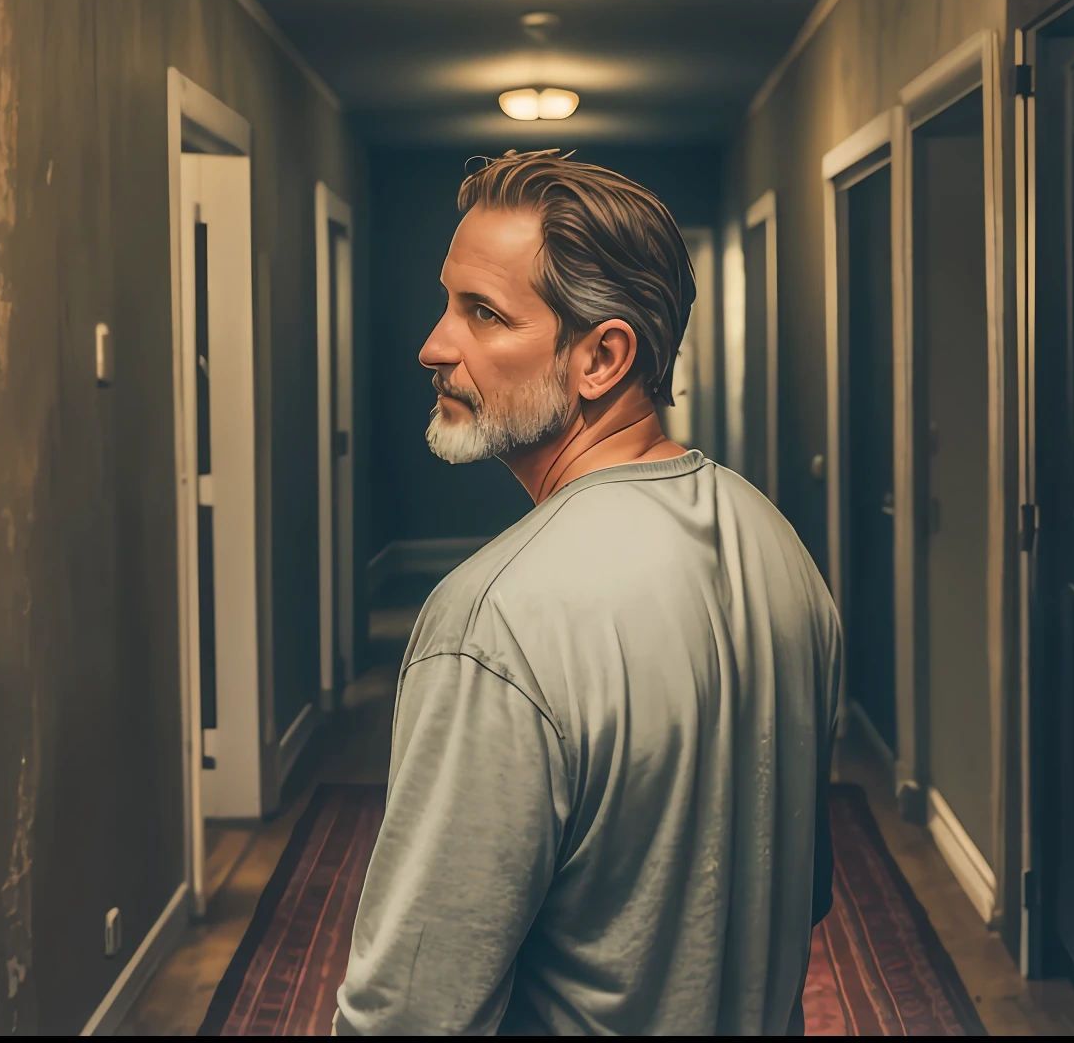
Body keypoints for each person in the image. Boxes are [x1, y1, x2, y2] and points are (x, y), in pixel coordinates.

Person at [333, 150, 842, 1035]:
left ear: (602, 356)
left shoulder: (494, 622)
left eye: (482, 314)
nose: (433, 345)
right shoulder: (779, 548)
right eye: (447, 302)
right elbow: (796, 888)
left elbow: (413, 1010)